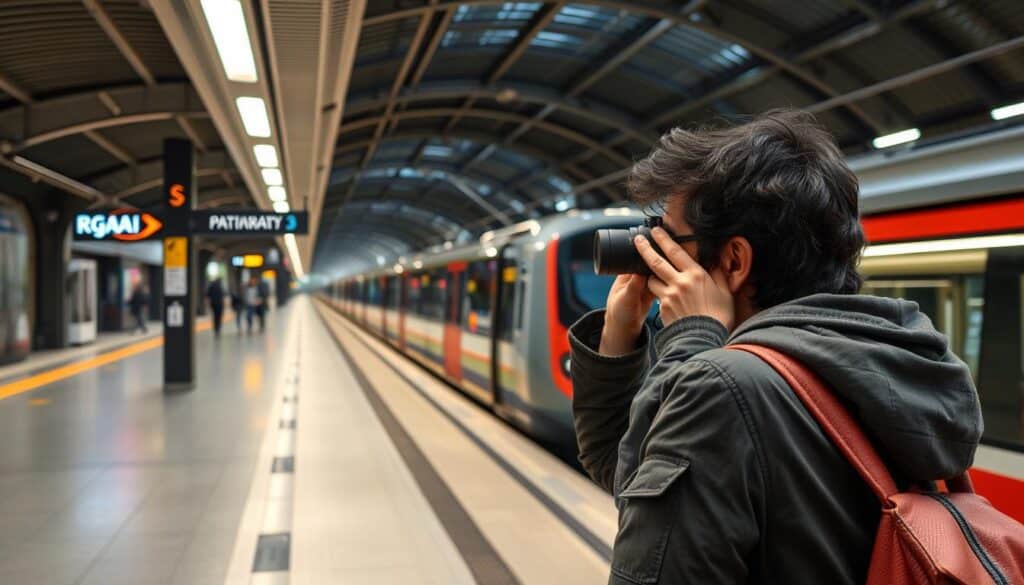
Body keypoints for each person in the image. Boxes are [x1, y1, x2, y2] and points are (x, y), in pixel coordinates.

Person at [569, 110, 982, 584]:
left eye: (670, 237)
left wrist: (694, 340)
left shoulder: (722, 387)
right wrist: (620, 338)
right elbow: (629, 476)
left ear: (734, 259)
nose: (657, 253)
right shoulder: (881, 357)